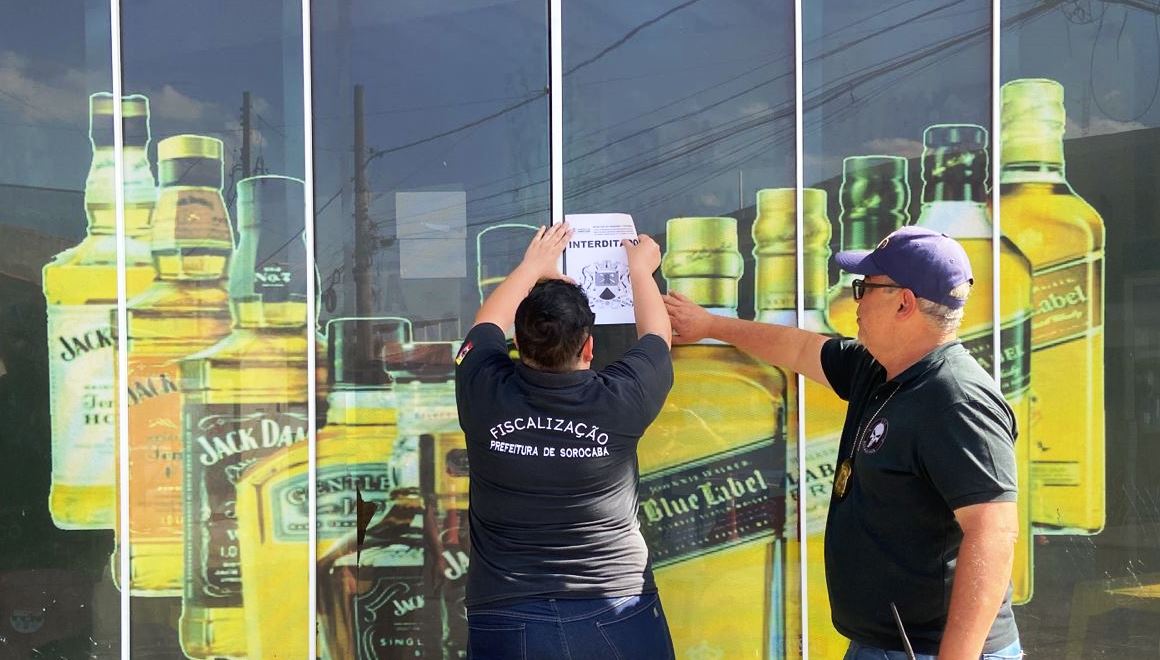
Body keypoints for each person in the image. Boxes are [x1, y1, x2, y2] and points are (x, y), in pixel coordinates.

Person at [665, 226, 1022, 660]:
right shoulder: (880, 368)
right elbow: (800, 349)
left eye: (865, 288)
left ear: (904, 303)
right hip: (881, 644)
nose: (856, 300)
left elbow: (993, 534)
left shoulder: (956, 400)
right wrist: (710, 325)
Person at [455, 221, 676, 660]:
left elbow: (485, 324)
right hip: (617, 605)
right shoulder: (620, 400)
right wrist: (640, 271)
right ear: (589, 347)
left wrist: (531, 266)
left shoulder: (483, 389)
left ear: (518, 344)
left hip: (507, 612)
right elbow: (657, 338)